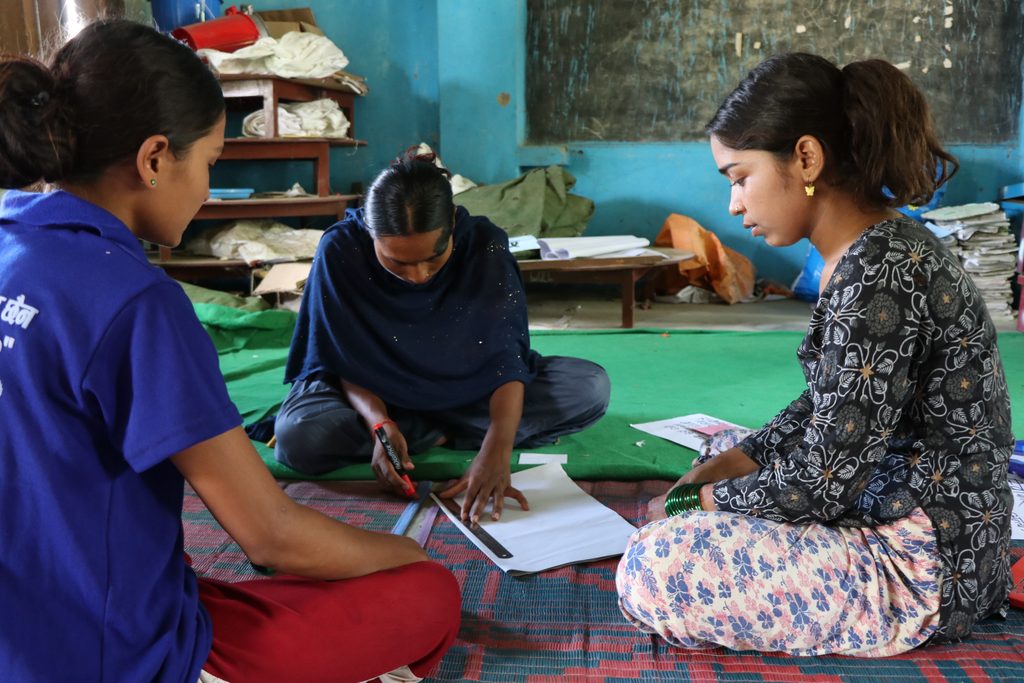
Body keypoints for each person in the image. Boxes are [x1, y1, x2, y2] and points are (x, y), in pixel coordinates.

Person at [0, 20, 459, 683]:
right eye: (211, 162)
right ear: (156, 158)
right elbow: (268, 534)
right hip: (112, 656)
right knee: (428, 590)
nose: (209, 189)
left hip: (24, 631)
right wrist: (402, 550)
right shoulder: (136, 301)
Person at [616, 53, 1014, 655]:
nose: (733, 205)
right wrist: (733, 465)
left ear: (805, 158)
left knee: (653, 567)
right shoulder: (874, 250)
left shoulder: (877, 271)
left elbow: (823, 482)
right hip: (914, 521)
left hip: (921, 568)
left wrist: (692, 502)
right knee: (726, 455)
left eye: (739, 176)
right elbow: (826, 408)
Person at [274, 151, 611, 523]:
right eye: (397, 262)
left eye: (433, 258)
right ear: (370, 233)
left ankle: (426, 432)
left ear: (452, 222)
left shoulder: (486, 244)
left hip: (468, 385)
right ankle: (436, 431)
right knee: (299, 435)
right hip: (371, 390)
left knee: (589, 387)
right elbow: (342, 357)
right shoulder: (340, 249)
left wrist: (497, 451)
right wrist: (380, 423)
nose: (418, 275)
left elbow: (505, 360)